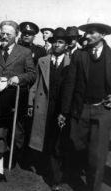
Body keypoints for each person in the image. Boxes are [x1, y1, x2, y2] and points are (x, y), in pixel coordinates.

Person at [58, 16, 111, 191]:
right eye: (86, 32)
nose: (86, 35)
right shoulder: (79, 55)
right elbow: (70, 83)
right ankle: (77, 174)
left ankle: (93, 188)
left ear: (102, 34)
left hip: (103, 111)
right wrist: (64, 112)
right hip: (81, 109)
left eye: (91, 32)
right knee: (76, 144)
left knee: (97, 155)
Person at [0, 20, 36, 187]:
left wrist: (19, 78)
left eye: (8, 34)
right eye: (2, 33)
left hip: (16, 99)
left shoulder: (25, 52)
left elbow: (32, 74)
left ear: (16, 35)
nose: (4, 36)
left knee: (16, 134)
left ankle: (15, 159)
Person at [28, 28, 71, 191]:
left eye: (61, 42)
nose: (57, 45)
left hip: (61, 106)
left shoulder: (71, 62)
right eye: (54, 42)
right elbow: (36, 83)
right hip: (43, 104)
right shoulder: (43, 60)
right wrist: (31, 103)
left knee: (57, 140)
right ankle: (44, 167)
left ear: (66, 45)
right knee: (44, 135)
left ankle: (55, 178)